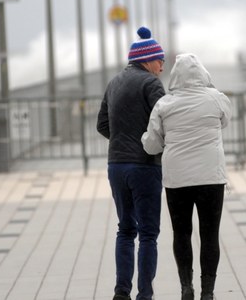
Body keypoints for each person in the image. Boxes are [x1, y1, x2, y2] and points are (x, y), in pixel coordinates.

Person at [141, 53, 232, 300]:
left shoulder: (164, 104)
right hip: (211, 178)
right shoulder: (216, 99)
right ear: (203, 74)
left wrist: (147, 139)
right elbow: (225, 122)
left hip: (177, 179)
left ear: (175, 77)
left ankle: (186, 287)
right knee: (209, 234)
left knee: (181, 233)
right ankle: (208, 292)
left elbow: (152, 145)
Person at [96, 26, 166, 300]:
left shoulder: (114, 82)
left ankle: (121, 292)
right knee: (148, 234)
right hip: (145, 166)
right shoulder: (151, 83)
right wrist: (147, 143)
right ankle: (145, 295)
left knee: (125, 229)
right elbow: (164, 121)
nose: (162, 66)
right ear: (148, 59)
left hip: (116, 165)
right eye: (160, 59)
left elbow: (102, 124)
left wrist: (122, 139)